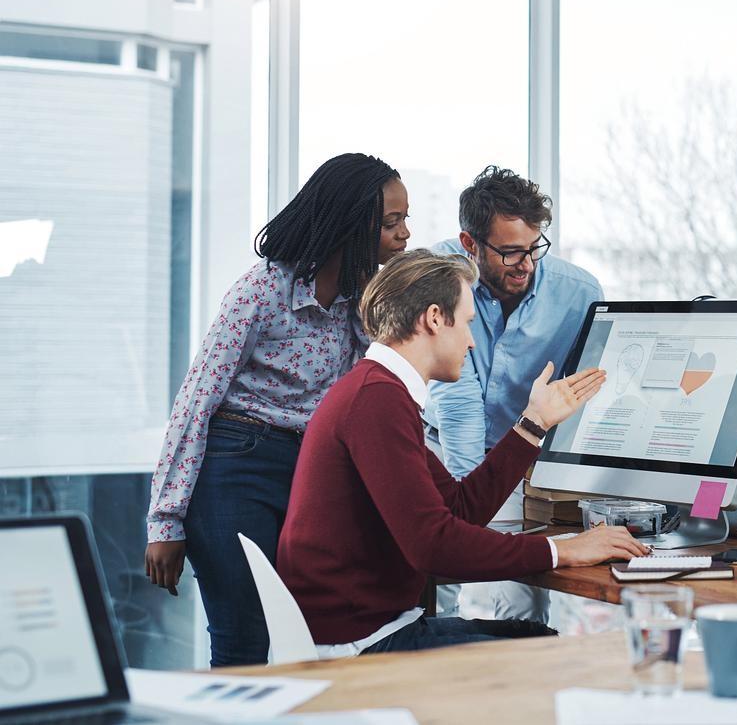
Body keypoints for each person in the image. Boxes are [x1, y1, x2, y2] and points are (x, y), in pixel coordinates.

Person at [277, 250, 647, 654]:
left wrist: (533, 423)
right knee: (548, 654)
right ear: (434, 318)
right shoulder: (375, 400)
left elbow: (458, 510)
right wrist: (561, 550)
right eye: (468, 323)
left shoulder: (379, 390)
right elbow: (434, 546)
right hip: (359, 641)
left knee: (536, 640)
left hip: (376, 625)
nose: (471, 341)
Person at [144, 153, 410, 667]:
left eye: (404, 219)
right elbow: (196, 401)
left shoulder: (362, 299)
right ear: (351, 224)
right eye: (391, 222)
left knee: (304, 635)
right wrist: (165, 522)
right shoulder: (262, 290)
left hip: (311, 471)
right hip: (236, 466)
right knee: (245, 639)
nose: (404, 234)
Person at [424, 166, 603, 622]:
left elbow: (582, 390)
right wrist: (467, 509)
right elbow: (457, 400)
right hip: (440, 446)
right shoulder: (438, 275)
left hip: (519, 450)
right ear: (470, 244)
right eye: (509, 252)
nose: (525, 264)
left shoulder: (578, 294)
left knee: (523, 597)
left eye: (533, 248)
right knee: (431, 581)